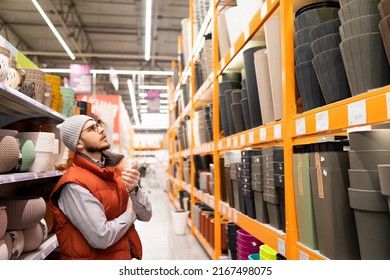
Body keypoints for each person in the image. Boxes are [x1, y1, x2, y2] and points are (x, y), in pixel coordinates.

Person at [49, 115, 152, 260]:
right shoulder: (73, 185)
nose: (101, 129)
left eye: (97, 125)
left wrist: (134, 189)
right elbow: (101, 237)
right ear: (78, 143)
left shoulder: (116, 171)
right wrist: (130, 213)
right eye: (92, 129)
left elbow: (147, 215)